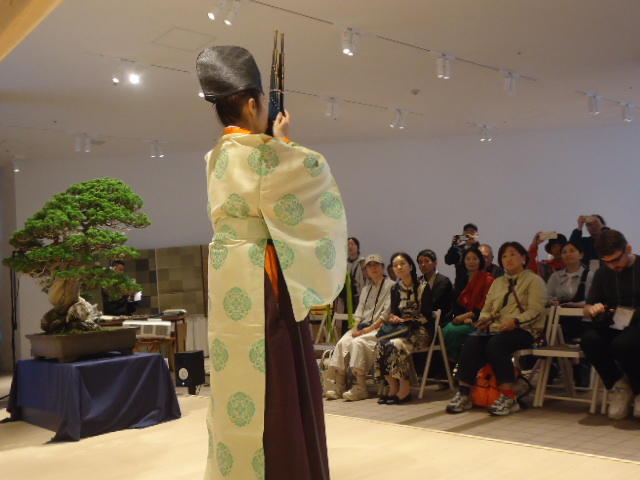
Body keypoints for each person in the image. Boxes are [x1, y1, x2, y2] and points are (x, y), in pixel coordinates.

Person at [197, 46, 347, 480]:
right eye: (262, 102)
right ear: (252, 104)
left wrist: (273, 143)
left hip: (228, 272)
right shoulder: (261, 153)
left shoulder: (215, 156)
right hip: (261, 276)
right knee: (276, 377)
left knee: (235, 379)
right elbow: (312, 173)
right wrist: (283, 142)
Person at [446, 242, 547, 416]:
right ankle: (464, 393)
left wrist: (515, 321)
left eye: (513, 254)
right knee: (472, 340)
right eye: (504, 256)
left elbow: (536, 310)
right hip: (497, 329)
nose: (508, 259)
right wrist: (484, 320)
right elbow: (487, 308)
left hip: (525, 330)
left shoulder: (534, 280)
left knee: (496, 344)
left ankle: (508, 397)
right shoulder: (498, 282)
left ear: (524, 258)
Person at [581, 230, 640, 420]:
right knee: (589, 340)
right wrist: (592, 309)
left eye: (616, 260)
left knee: (623, 344)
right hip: (613, 323)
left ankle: (637, 388)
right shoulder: (603, 272)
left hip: (637, 324)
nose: (613, 266)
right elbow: (587, 307)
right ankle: (619, 385)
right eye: (607, 261)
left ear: (628, 249)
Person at [324, 254, 394, 401]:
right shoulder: (365, 289)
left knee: (358, 343)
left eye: (376, 264)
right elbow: (359, 313)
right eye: (369, 266)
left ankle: (361, 387)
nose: (373, 268)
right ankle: (340, 384)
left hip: (379, 328)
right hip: (362, 328)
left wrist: (366, 331)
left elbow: (386, 314)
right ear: (366, 270)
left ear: (382, 267)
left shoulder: (391, 286)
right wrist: (355, 328)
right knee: (343, 342)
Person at [375, 252, 433, 405]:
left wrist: (407, 320)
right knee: (380, 344)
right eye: (395, 265)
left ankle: (405, 389)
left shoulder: (423, 287)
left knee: (396, 344)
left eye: (402, 264)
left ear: (411, 266)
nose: (399, 267)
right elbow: (394, 312)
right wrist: (394, 318)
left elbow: (427, 316)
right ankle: (393, 387)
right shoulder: (395, 289)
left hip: (420, 331)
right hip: (401, 330)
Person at [443, 247, 494, 362]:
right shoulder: (462, 279)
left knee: (451, 331)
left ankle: (455, 361)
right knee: (444, 330)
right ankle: (452, 362)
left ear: (480, 261)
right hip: (462, 319)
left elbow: (485, 305)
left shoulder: (488, 279)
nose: (471, 262)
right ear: (464, 261)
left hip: (480, 321)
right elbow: (456, 303)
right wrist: (460, 318)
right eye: (468, 259)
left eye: (474, 259)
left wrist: (467, 317)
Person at [416, 249, 453, 319]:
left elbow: (434, 303)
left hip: (440, 319)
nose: (423, 265)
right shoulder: (418, 281)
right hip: (420, 317)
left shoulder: (443, 281)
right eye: (420, 262)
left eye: (427, 261)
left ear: (435, 263)